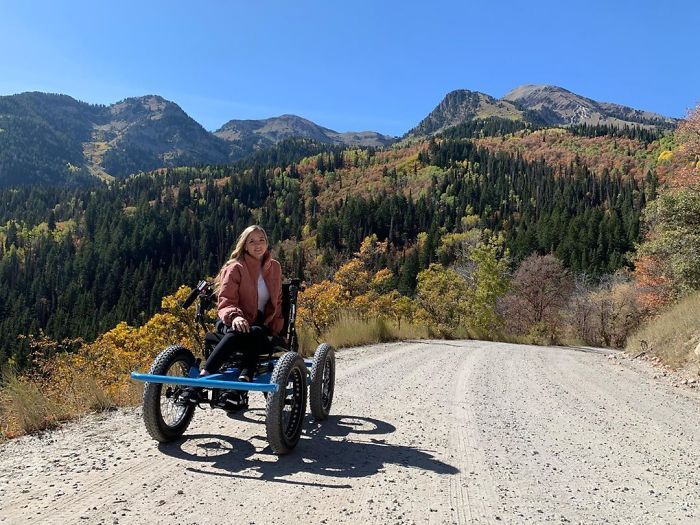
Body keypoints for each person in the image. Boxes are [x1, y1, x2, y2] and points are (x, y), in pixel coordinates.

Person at [179, 225, 283, 404]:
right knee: (239, 331)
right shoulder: (235, 267)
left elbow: (278, 300)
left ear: (267, 243)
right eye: (252, 241)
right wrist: (235, 316)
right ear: (244, 245)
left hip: (258, 324)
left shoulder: (274, 267)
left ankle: (237, 389)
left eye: (261, 240)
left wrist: (277, 327)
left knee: (256, 332)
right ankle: (202, 380)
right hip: (231, 320)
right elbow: (226, 299)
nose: (257, 245)